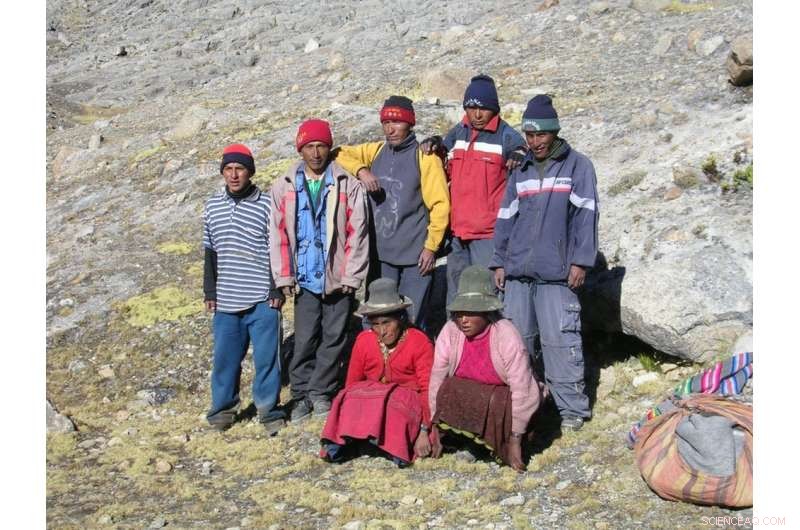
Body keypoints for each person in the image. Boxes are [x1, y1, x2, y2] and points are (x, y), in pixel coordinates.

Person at [490, 94, 599, 431]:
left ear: (555, 132)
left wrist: (581, 260)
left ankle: (571, 411)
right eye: (529, 135)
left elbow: (586, 217)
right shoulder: (520, 171)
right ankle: (526, 406)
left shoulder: (578, 166)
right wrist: (499, 261)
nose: (535, 142)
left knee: (560, 341)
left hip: (557, 274)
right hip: (519, 274)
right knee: (518, 343)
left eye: (541, 135)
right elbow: (506, 218)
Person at [269, 119, 370, 421]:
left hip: (338, 278)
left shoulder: (347, 184)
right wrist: (284, 276)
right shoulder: (283, 185)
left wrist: (352, 275)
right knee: (305, 336)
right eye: (309, 146)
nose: (315, 153)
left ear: (329, 148)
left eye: (321, 146)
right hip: (304, 279)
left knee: (334, 336)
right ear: (300, 149)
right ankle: (300, 393)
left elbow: (358, 232)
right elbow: (279, 235)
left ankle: (321, 391)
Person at [335, 95, 450, 328]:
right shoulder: (376, 151)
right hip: (380, 256)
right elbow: (338, 152)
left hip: (415, 257)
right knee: (375, 318)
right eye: (386, 123)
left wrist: (431, 247)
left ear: (410, 123)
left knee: (411, 320)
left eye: (396, 122)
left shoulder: (425, 158)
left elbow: (440, 205)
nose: (390, 129)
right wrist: (361, 171)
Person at [421, 74, 527, 306]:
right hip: (458, 233)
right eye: (470, 107)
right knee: (456, 296)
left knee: (486, 296)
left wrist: (520, 154)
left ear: (495, 109)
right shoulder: (459, 131)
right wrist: (435, 143)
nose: (476, 115)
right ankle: (455, 341)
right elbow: (443, 155)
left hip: (488, 235)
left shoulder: (506, 135)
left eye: (483, 109)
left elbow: (522, 150)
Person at [203, 143, 286, 434]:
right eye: (228, 169)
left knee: (266, 361)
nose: (234, 175)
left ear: (250, 171)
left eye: (239, 169)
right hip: (226, 299)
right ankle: (222, 412)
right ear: (223, 172)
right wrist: (210, 292)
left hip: (262, 298)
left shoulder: (267, 204)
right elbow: (209, 252)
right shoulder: (212, 206)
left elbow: (277, 249)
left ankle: (269, 411)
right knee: (225, 360)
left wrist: (276, 290)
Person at [428, 265, 542, 472]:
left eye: (471, 313)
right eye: (460, 313)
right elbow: (436, 378)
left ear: (487, 312)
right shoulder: (451, 331)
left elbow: (523, 388)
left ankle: (499, 442)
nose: (463, 320)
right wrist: (434, 427)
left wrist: (515, 439)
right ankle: (466, 440)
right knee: (448, 388)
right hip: (473, 396)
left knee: (500, 400)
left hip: (504, 401)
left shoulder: (506, 335)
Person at [319, 278, 436, 466]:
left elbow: (428, 390)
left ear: (401, 318)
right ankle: (343, 443)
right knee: (348, 395)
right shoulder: (364, 340)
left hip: (405, 402)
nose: (381, 331)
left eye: (387, 323)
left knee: (392, 402)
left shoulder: (419, 342)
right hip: (374, 401)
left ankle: (390, 446)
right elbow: (352, 383)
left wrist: (424, 430)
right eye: (375, 324)